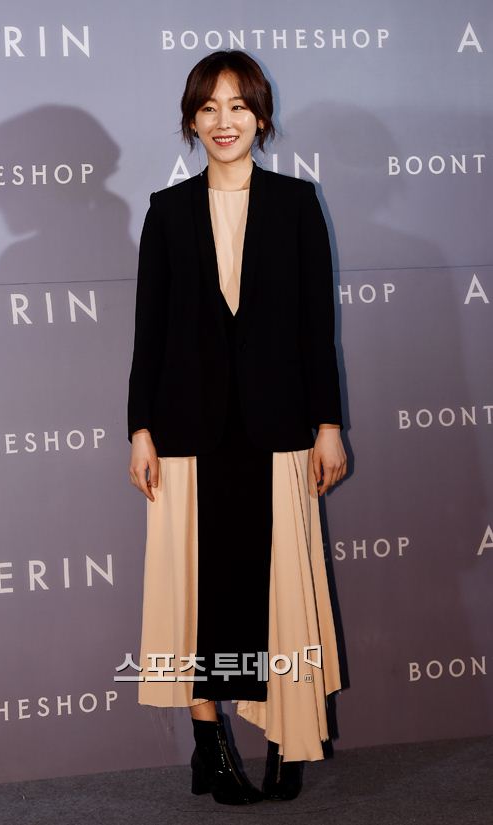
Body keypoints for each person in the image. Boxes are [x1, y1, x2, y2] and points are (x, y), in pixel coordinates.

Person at [127, 49, 347, 806]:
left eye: (239, 106)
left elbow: (316, 327)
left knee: (283, 587)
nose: (224, 122)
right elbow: (149, 333)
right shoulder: (167, 211)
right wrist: (140, 430)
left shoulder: (296, 203)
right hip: (187, 433)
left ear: (261, 116)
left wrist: (328, 423)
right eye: (209, 108)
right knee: (192, 592)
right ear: (191, 121)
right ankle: (209, 745)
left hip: (277, 428)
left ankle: (290, 734)